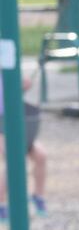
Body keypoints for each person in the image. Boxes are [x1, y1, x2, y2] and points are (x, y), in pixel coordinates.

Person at [0, 62, 49, 221]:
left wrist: (23, 86)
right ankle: (1, 204)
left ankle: (38, 196)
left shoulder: (7, 68)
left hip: (14, 123)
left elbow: (13, 93)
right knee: (13, 157)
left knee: (40, 155)